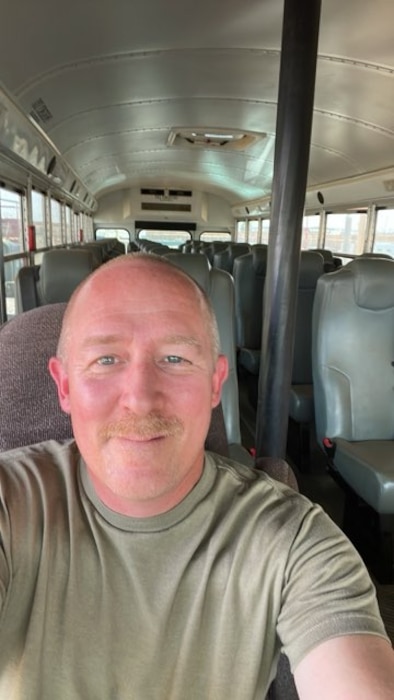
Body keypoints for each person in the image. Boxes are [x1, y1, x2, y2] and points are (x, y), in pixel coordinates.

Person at [0, 252, 392, 699]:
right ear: (65, 386)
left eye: (174, 358)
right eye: (106, 360)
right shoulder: (9, 507)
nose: (141, 399)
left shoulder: (294, 542)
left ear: (214, 383)